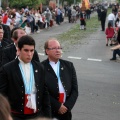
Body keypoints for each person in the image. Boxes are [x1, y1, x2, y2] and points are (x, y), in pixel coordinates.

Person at [0, 35, 51, 120]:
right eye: (26, 50)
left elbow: (45, 92)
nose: (29, 54)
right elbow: (2, 95)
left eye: (32, 51)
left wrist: (48, 116)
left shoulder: (39, 67)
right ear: (19, 50)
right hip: (16, 115)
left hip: (36, 114)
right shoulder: (7, 69)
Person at [41, 38, 78, 120]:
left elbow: (75, 90)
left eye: (59, 48)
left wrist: (67, 107)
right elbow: (41, 91)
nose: (58, 50)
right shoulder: (41, 68)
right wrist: (57, 106)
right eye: (54, 48)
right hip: (49, 112)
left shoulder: (69, 66)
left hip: (66, 111)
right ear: (47, 51)